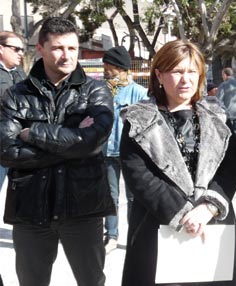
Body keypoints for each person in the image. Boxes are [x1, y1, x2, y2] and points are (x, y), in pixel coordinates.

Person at [120, 39, 236, 286]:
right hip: (157, 224)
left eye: (192, 71)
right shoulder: (139, 119)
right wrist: (182, 214)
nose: (185, 79)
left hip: (211, 224)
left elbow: (231, 166)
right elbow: (139, 175)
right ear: (159, 74)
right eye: (177, 71)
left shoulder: (217, 117)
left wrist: (208, 207)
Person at [0, 17, 115, 286]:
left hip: (83, 207)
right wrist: (73, 142)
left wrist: (34, 133)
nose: (67, 55)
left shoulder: (95, 91)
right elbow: (6, 152)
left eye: (73, 48)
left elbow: (93, 142)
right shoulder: (16, 95)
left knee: (92, 281)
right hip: (30, 208)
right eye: (58, 48)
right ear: (40, 49)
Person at [101, 45, 149, 254]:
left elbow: (146, 124)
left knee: (133, 197)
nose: (104, 68)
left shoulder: (139, 92)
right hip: (106, 152)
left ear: (119, 67)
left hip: (131, 153)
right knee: (110, 196)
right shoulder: (101, 90)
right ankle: (111, 236)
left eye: (107, 65)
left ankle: (134, 237)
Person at [0, 31, 27, 191]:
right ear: (1, 49)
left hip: (19, 143)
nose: (20, 53)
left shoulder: (20, 73)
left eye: (22, 49)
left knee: (22, 196)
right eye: (16, 49)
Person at [217, 67, 236, 153]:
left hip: (227, 115)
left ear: (225, 75)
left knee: (227, 135)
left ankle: (229, 154)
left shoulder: (223, 85)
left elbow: (219, 100)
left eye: (223, 75)